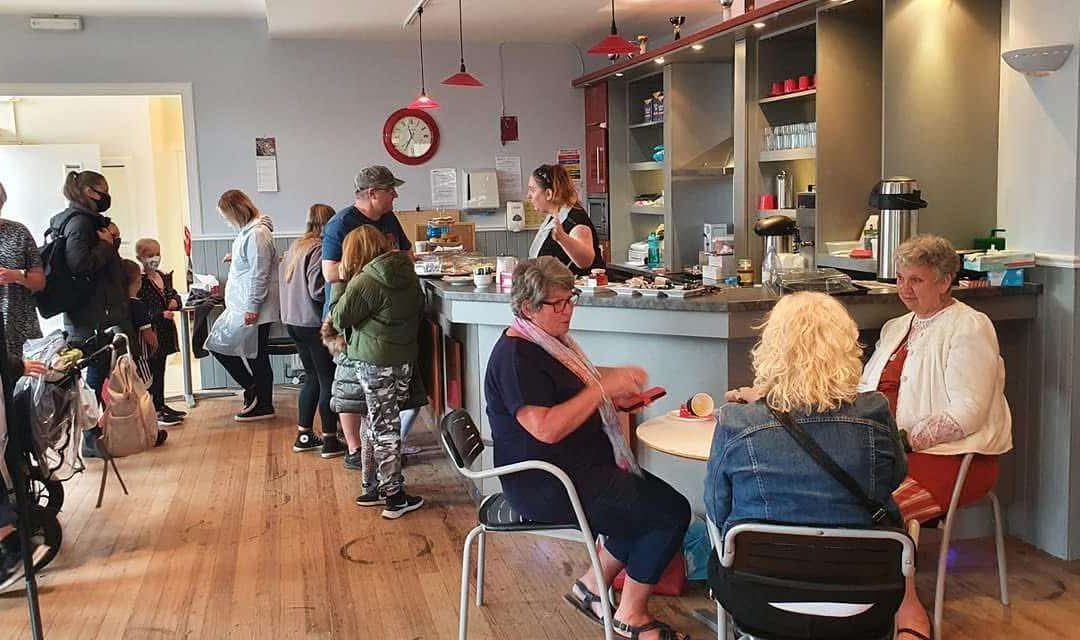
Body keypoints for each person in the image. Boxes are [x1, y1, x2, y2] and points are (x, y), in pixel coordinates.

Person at [485, 257, 690, 640]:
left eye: (570, 300)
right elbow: (545, 428)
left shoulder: (548, 343)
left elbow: (570, 395)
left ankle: (592, 588)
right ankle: (631, 615)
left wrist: (613, 399)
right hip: (547, 484)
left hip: (577, 469)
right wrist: (601, 391)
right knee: (669, 513)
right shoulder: (516, 357)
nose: (567, 311)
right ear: (528, 307)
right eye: (557, 304)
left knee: (652, 506)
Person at [708, 292, 911, 639]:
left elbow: (717, 507)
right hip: (866, 598)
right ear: (846, 349)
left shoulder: (736, 422)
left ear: (771, 350)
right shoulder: (875, 413)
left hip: (759, 599)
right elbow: (895, 478)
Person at [859, 234, 1013, 639]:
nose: (905, 290)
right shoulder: (896, 327)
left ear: (945, 281)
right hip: (889, 454)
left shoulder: (970, 326)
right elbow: (864, 391)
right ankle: (854, 606)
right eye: (900, 279)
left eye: (916, 280)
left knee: (883, 508)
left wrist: (902, 442)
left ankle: (908, 611)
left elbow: (968, 413)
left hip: (957, 458)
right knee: (840, 495)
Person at [330, 225, 424, 519]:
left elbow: (338, 317)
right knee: (381, 422)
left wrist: (340, 282)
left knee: (382, 428)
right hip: (403, 358)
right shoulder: (408, 273)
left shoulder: (364, 281)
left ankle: (393, 497)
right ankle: (374, 486)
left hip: (373, 361)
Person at [321, 166, 412, 468]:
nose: (395, 195)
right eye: (390, 190)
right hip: (350, 314)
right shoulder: (340, 224)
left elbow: (406, 253)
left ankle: (379, 447)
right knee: (350, 383)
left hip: (384, 313)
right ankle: (355, 448)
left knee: (381, 390)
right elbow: (330, 272)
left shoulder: (389, 219)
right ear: (373, 193)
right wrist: (373, 267)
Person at [49, 171, 128, 400]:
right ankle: (95, 421)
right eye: (104, 191)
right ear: (89, 192)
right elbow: (80, 264)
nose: (107, 196)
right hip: (91, 312)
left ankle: (103, 418)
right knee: (97, 372)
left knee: (103, 370)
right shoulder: (80, 222)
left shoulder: (80, 221)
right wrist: (106, 245)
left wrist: (111, 242)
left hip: (92, 309)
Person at [205, 189, 280, 422]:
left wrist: (252, 307)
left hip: (253, 307)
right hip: (244, 305)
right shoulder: (250, 232)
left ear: (235, 212)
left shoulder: (257, 234)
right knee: (249, 353)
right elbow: (253, 263)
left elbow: (260, 273)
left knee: (251, 354)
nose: (226, 221)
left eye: (226, 216)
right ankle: (256, 393)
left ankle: (261, 399)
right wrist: (236, 258)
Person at [280, 204, 343, 458]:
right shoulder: (319, 248)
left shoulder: (296, 246)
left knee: (311, 378)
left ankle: (304, 435)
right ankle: (330, 440)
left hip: (293, 322)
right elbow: (318, 291)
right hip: (313, 323)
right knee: (327, 379)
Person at [135, 238, 187, 426]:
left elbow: (174, 294)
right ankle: (154, 410)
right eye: (149, 255)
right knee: (152, 371)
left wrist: (175, 301)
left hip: (165, 330)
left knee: (161, 368)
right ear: (139, 258)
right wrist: (159, 314)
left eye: (157, 254)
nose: (155, 258)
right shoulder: (140, 282)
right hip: (151, 331)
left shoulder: (162, 276)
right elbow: (140, 308)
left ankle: (160, 403)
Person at [121, 258, 168, 446]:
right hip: (141, 356)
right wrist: (156, 345)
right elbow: (148, 334)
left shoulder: (117, 304)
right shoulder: (137, 305)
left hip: (124, 357)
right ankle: (150, 432)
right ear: (137, 282)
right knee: (145, 394)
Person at [526, 164, 604, 276]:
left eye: (532, 190)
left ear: (548, 194)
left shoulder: (575, 221)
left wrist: (562, 238)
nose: (528, 196)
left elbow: (586, 261)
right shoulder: (553, 217)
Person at [0, 181, 45, 358]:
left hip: (19, 327)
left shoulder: (19, 232)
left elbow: (40, 281)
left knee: (25, 375)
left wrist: (17, 276)